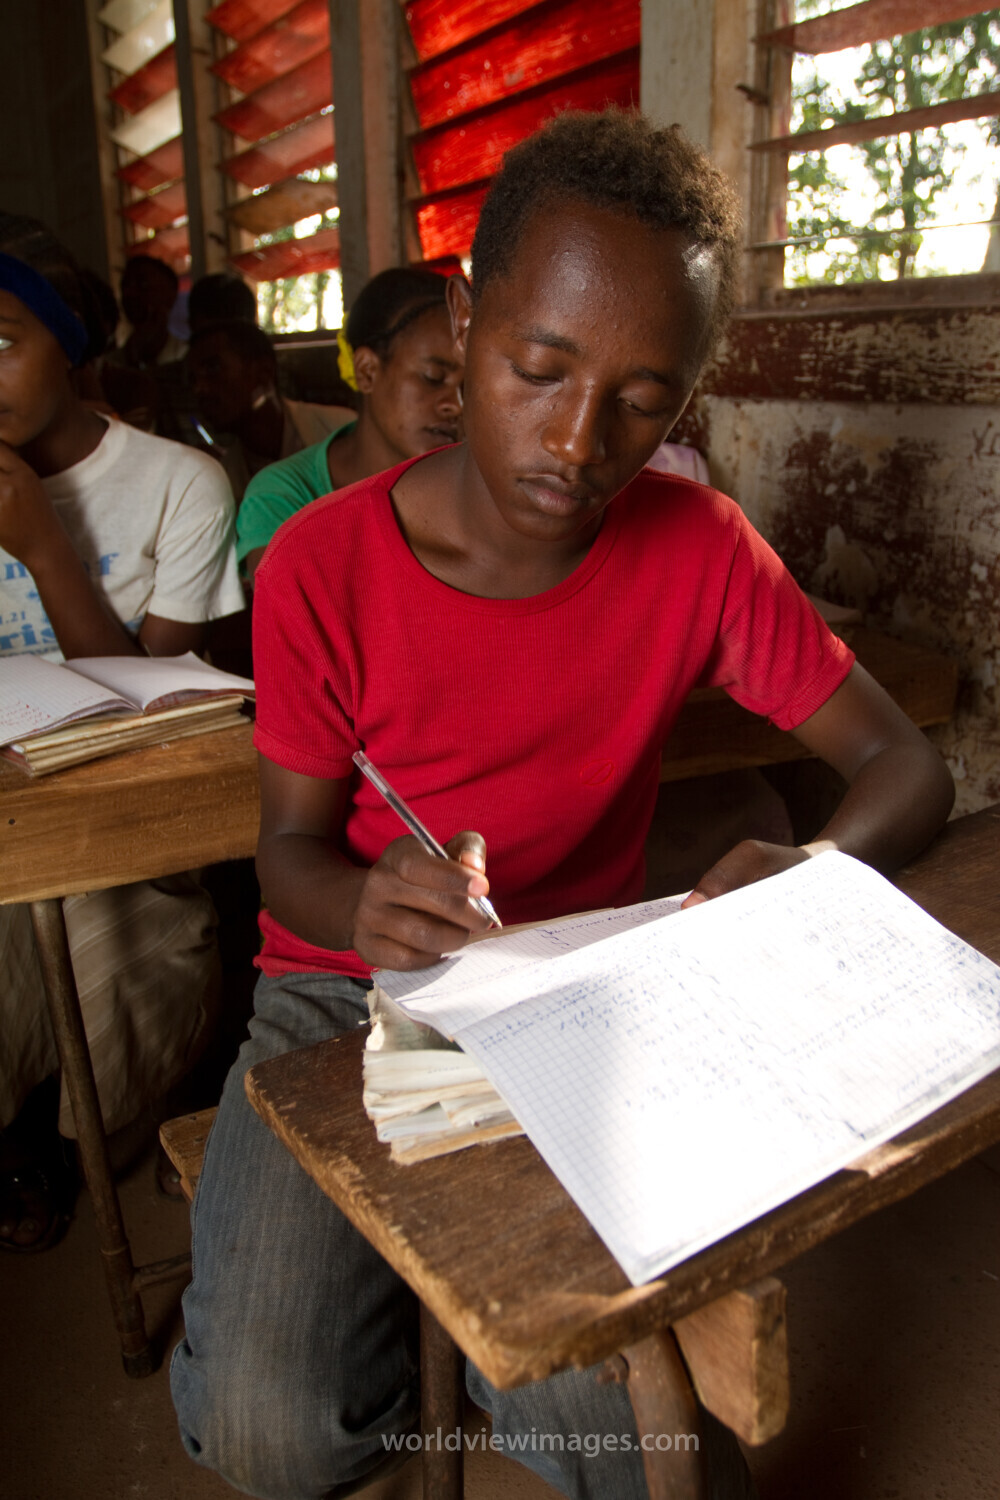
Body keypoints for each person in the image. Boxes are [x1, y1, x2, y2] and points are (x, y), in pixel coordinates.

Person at [170, 110, 954, 1498]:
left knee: (624, 1447)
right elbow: (287, 852)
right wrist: (362, 904)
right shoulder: (319, 565)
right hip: (342, 990)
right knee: (269, 1431)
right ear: (466, 323)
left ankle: (463, 1349)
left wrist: (818, 863)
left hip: (582, 998)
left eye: (645, 401)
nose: (582, 439)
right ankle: (392, 1328)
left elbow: (908, 766)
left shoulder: (696, 548)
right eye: (539, 369)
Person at [0, 215, 246, 1249]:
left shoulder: (178, 484)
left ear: (69, 341)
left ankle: (65, 1141)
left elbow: (152, 709)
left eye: (0, 340)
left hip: (125, 818)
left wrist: (43, 546)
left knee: (133, 941)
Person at [236, 265, 463, 580]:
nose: (456, 405)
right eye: (433, 378)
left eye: (469, 388)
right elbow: (286, 605)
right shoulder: (285, 496)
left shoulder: (473, 490)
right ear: (367, 371)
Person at [187, 320, 356, 504]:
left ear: (264, 371)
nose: (199, 389)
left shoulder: (343, 428)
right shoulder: (226, 478)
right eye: (193, 379)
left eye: (213, 368)